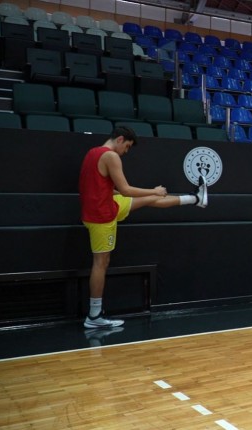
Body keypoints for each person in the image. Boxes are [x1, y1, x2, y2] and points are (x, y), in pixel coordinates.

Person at [79, 127, 208, 329]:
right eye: (127, 146)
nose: (126, 151)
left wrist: (151, 194)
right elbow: (125, 190)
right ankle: (94, 316)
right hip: (101, 216)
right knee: (100, 263)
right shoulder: (111, 156)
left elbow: (102, 187)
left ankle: (196, 199)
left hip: (103, 206)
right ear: (120, 139)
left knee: (150, 200)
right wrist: (154, 190)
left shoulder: (92, 153)